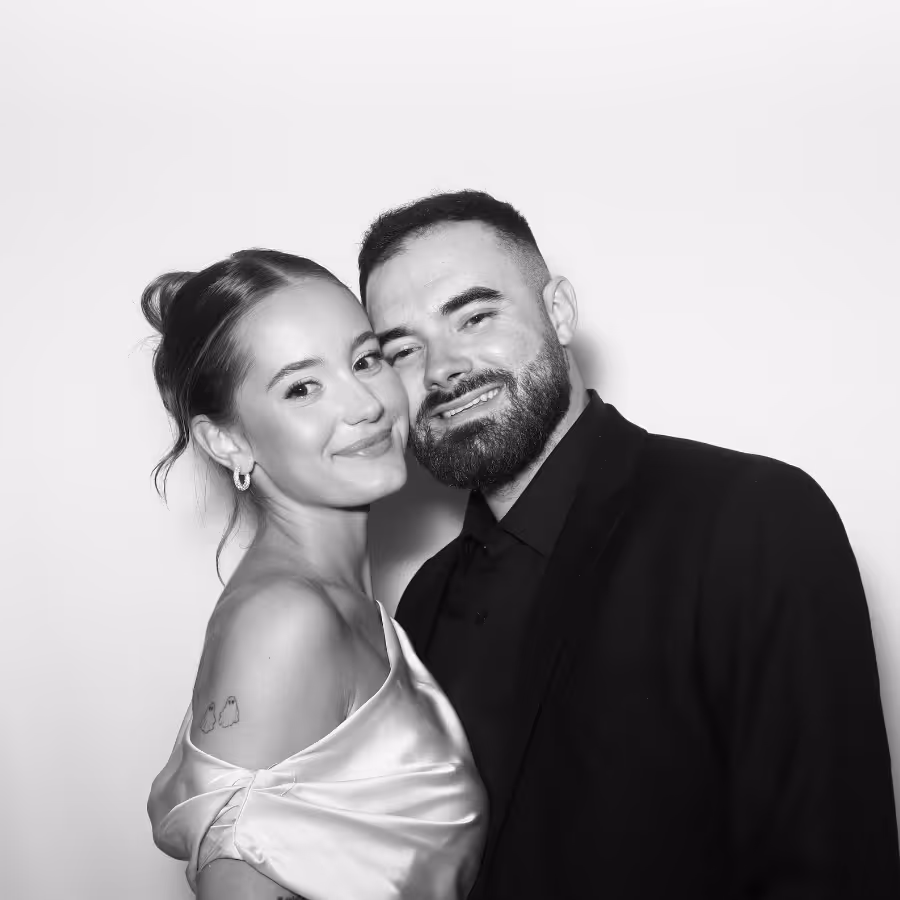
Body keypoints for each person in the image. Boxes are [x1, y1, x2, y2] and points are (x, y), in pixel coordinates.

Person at [358, 190, 900, 899]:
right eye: (403, 349)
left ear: (558, 312)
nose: (443, 369)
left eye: (476, 316)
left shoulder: (754, 518)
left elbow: (832, 868)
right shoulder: (424, 600)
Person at [143, 249, 486, 900]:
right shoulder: (285, 622)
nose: (365, 405)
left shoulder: (345, 602)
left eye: (365, 360)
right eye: (303, 387)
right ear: (226, 441)